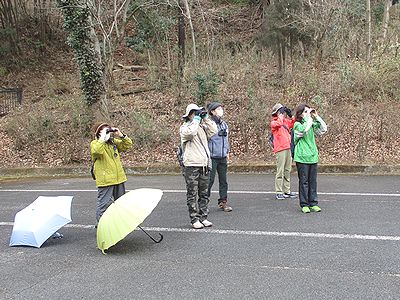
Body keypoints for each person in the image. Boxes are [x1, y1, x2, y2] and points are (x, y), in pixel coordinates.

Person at [180, 103, 218, 229]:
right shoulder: (184, 128)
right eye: (193, 112)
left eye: (197, 112)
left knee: (204, 193)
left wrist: (206, 117)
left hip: (204, 164)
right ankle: (194, 219)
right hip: (191, 165)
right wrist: (196, 120)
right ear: (189, 115)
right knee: (192, 193)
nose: (196, 115)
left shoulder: (201, 127)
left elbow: (214, 130)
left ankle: (204, 217)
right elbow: (190, 133)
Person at [90, 122, 133, 225]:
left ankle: (119, 225)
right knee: (104, 205)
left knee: (120, 204)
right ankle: (101, 226)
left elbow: (127, 145)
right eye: (104, 130)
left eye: (108, 130)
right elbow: (96, 151)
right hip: (106, 180)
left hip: (119, 178)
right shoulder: (95, 143)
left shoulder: (113, 142)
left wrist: (121, 135)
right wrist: (102, 138)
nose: (107, 133)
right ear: (98, 133)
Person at [293, 104, 327, 213]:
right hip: (302, 157)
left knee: (313, 181)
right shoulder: (297, 125)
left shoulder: (311, 124)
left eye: (308, 111)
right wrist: (308, 118)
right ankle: (304, 204)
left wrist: (316, 116)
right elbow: (304, 130)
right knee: (304, 181)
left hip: (312, 156)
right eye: (305, 111)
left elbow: (323, 129)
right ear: (300, 114)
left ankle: (313, 203)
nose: (308, 113)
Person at [207, 102, 232, 212]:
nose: (221, 110)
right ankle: (204, 203)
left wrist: (227, 151)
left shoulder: (224, 124)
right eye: (218, 109)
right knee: (209, 181)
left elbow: (226, 139)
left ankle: (223, 202)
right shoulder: (208, 124)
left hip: (222, 156)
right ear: (212, 111)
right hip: (212, 157)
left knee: (223, 181)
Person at [270, 103, 296, 200]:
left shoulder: (285, 121)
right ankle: (279, 191)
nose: (282, 113)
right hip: (280, 149)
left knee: (287, 170)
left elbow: (294, 123)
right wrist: (280, 115)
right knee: (280, 170)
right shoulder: (274, 122)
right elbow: (279, 124)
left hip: (288, 147)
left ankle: (286, 190)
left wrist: (290, 115)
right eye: (280, 111)